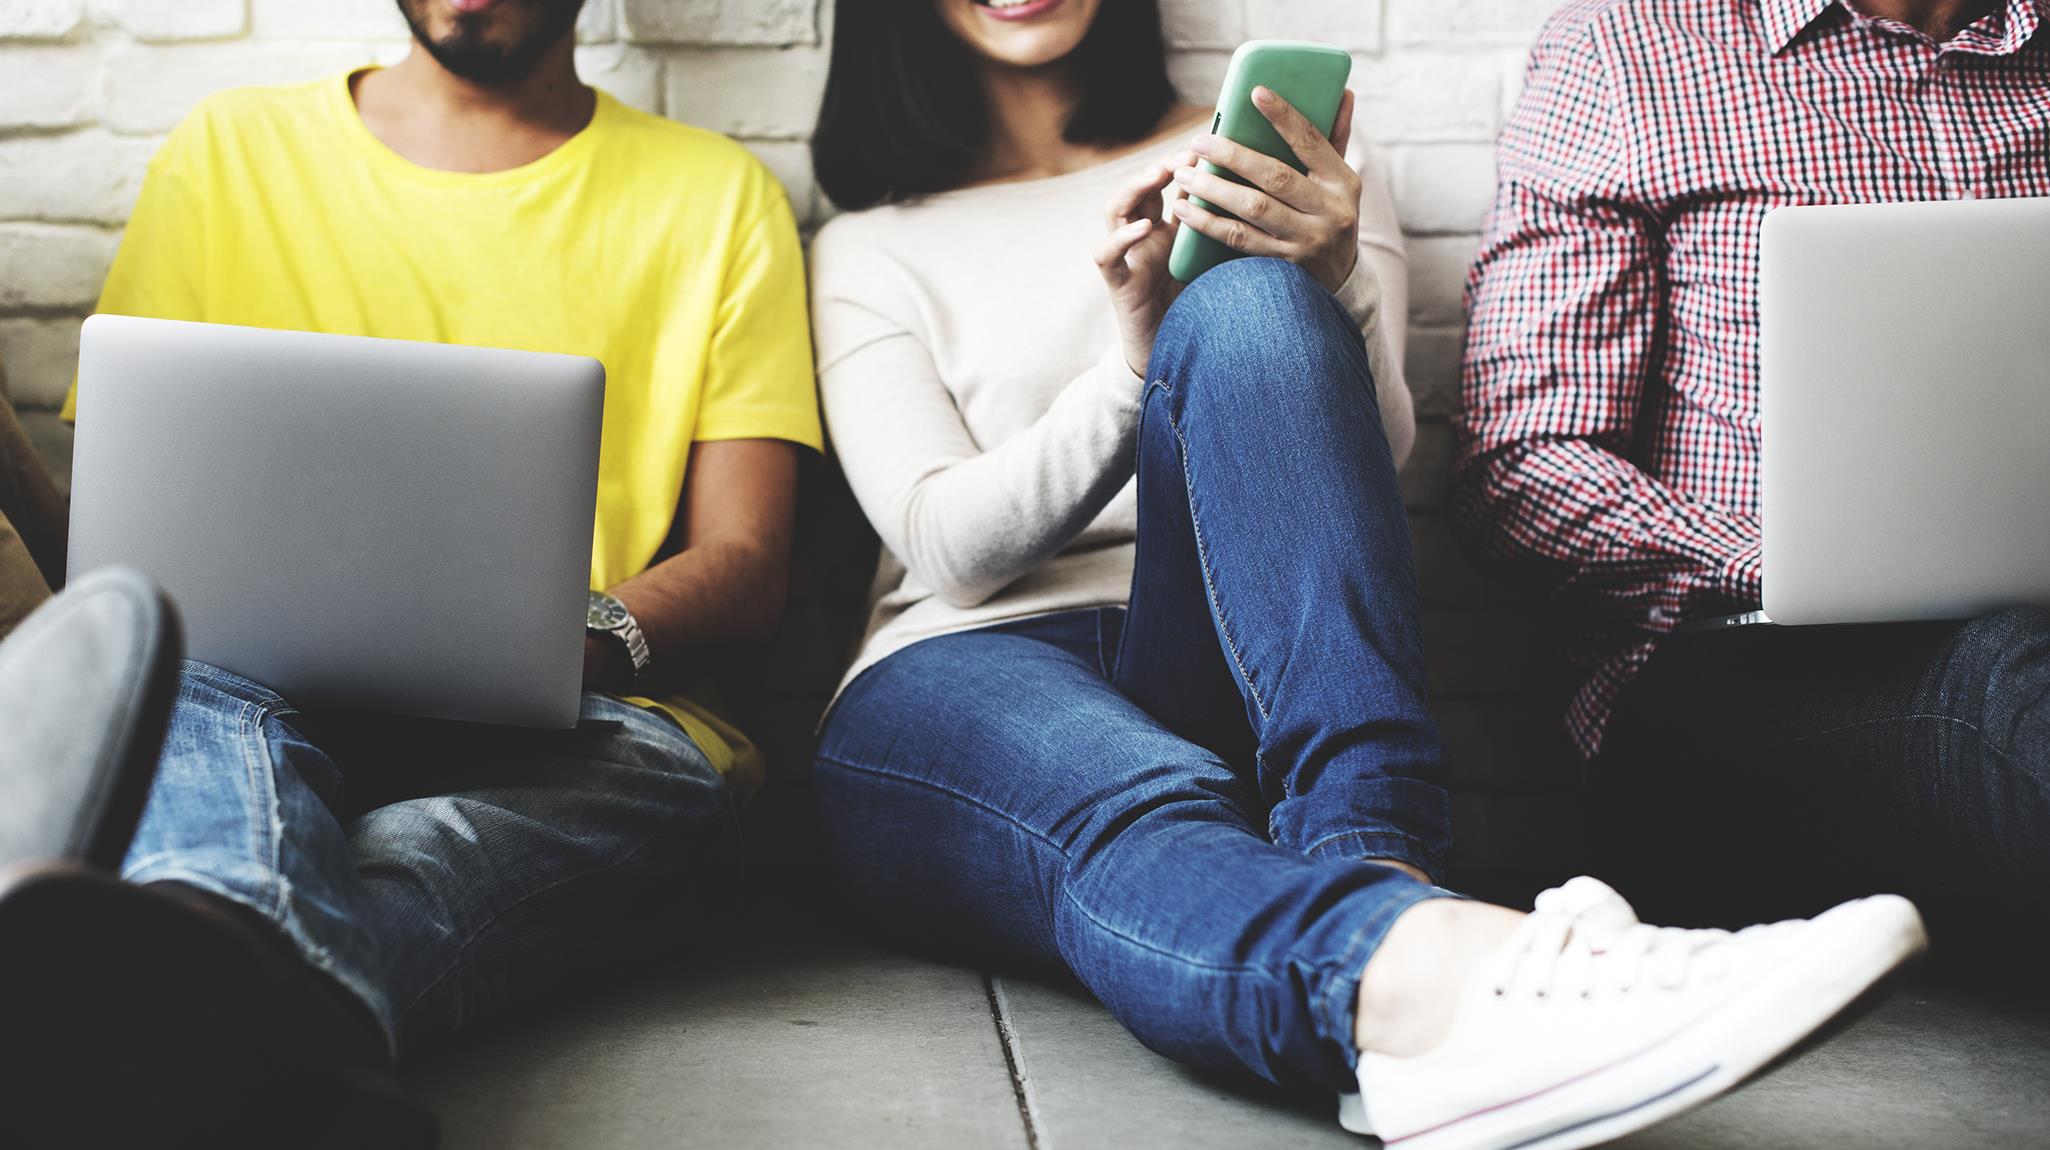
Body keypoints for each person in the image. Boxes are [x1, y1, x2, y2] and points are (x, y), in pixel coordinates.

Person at [805, 1, 1925, 1146]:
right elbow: (947, 545)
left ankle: (1378, 876)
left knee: (1250, 298)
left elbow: (1371, 458)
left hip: (1228, 649)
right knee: (1138, 804)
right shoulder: (868, 243)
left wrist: (1330, 277)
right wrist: (1130, 363)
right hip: (961, 674)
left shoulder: (1290, 164)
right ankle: (1442, 962)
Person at [0, 0, 822, 1144]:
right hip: (244, 693)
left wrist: (567, 636)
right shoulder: (228, 148)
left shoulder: (716, 194)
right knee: (185, 699)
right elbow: (137, 518)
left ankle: (177, 994)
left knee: (620, 798)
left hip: (589, 721)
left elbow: (744, 561)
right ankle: (292, 1042)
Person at [1456, 0, 2050, 923]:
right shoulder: (1628, 51)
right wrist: (1807, 564)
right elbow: (1523, 474)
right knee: (2009, 675)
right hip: (1738, 675)